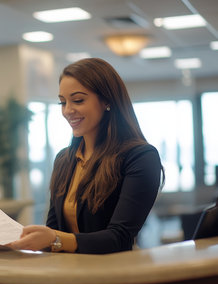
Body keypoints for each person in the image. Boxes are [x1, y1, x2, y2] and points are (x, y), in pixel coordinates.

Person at [9, 58, 164, 254]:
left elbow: (119, 237)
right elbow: (54, 230)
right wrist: (10, 237)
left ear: (107, 100)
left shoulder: (140, 157)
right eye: (63, 102)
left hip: (114, 275)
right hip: (69, 275)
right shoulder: (64, 160)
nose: (67, 110)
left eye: (78, 100)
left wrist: (55, 238)